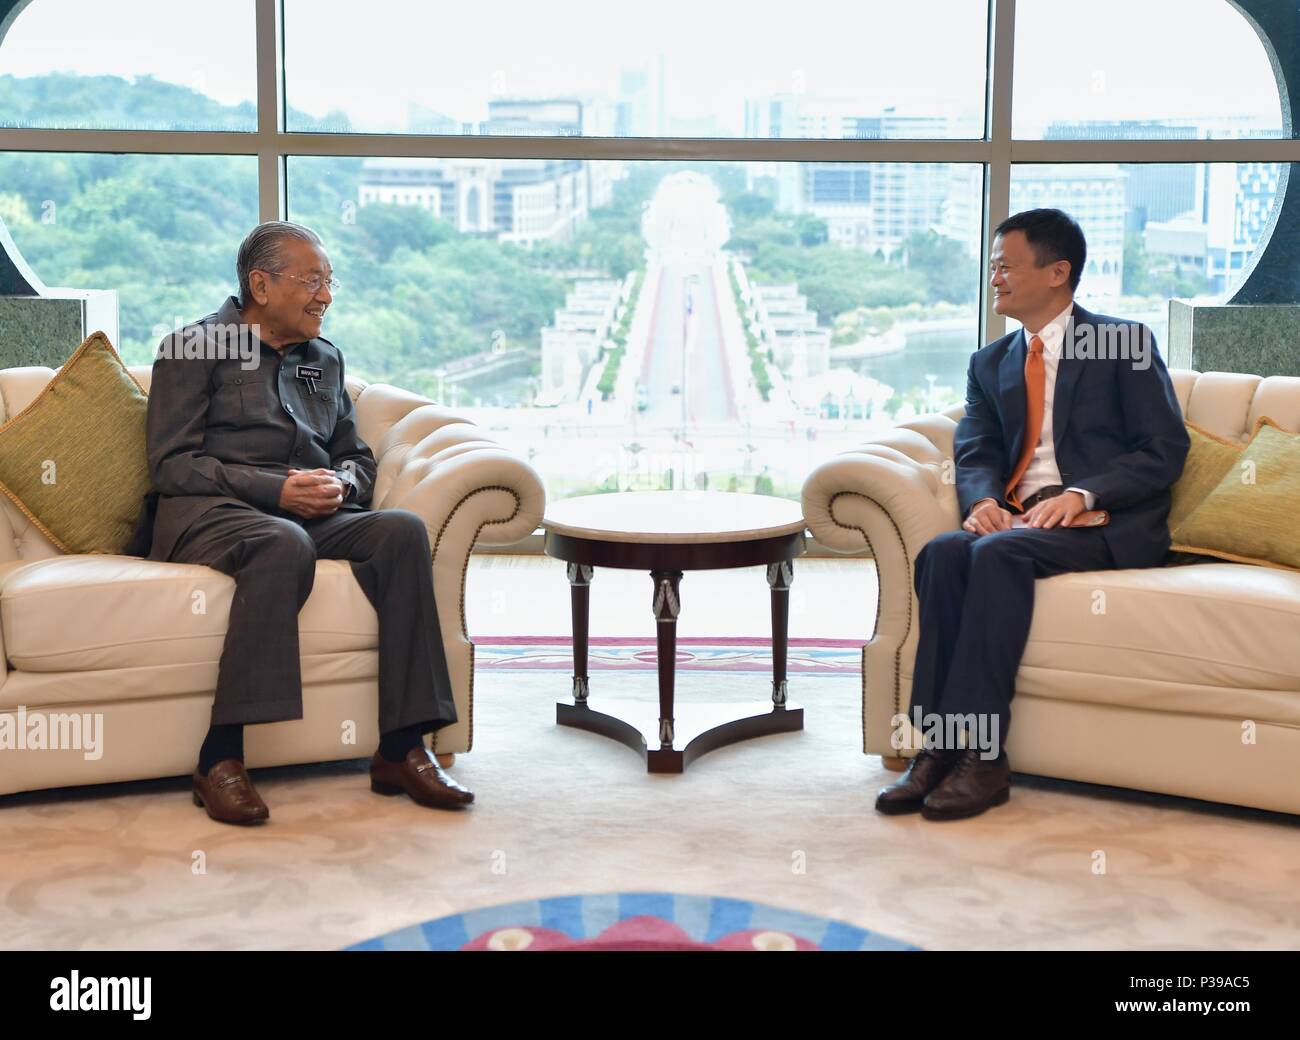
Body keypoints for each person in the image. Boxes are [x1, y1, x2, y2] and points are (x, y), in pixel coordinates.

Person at [140, 221, 473, 825]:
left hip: (304, 509)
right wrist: (276, 490)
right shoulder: (194, 348)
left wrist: (340, 485)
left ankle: (402, 747)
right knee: (281, 540)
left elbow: (356, 455)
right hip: (213, 514)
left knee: (400, 531)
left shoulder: (325, 358)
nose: (326, 295)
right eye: (312, 280)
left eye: (329, 280)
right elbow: (173, 465)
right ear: (260, 285)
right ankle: (220, 757)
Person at [875, 208, 1189, 822]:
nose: (994, 279)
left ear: (1057, 272)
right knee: (943, 552)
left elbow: (1164, 450)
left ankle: (983, 759)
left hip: (1103, 523)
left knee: (997, 555)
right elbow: (976, 449)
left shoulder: (1120, 342)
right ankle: (938, 748)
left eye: (1004, 266)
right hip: (1018, 519)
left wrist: (1085, 494)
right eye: (993, 267)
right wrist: (985, 501)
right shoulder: (990, 362)